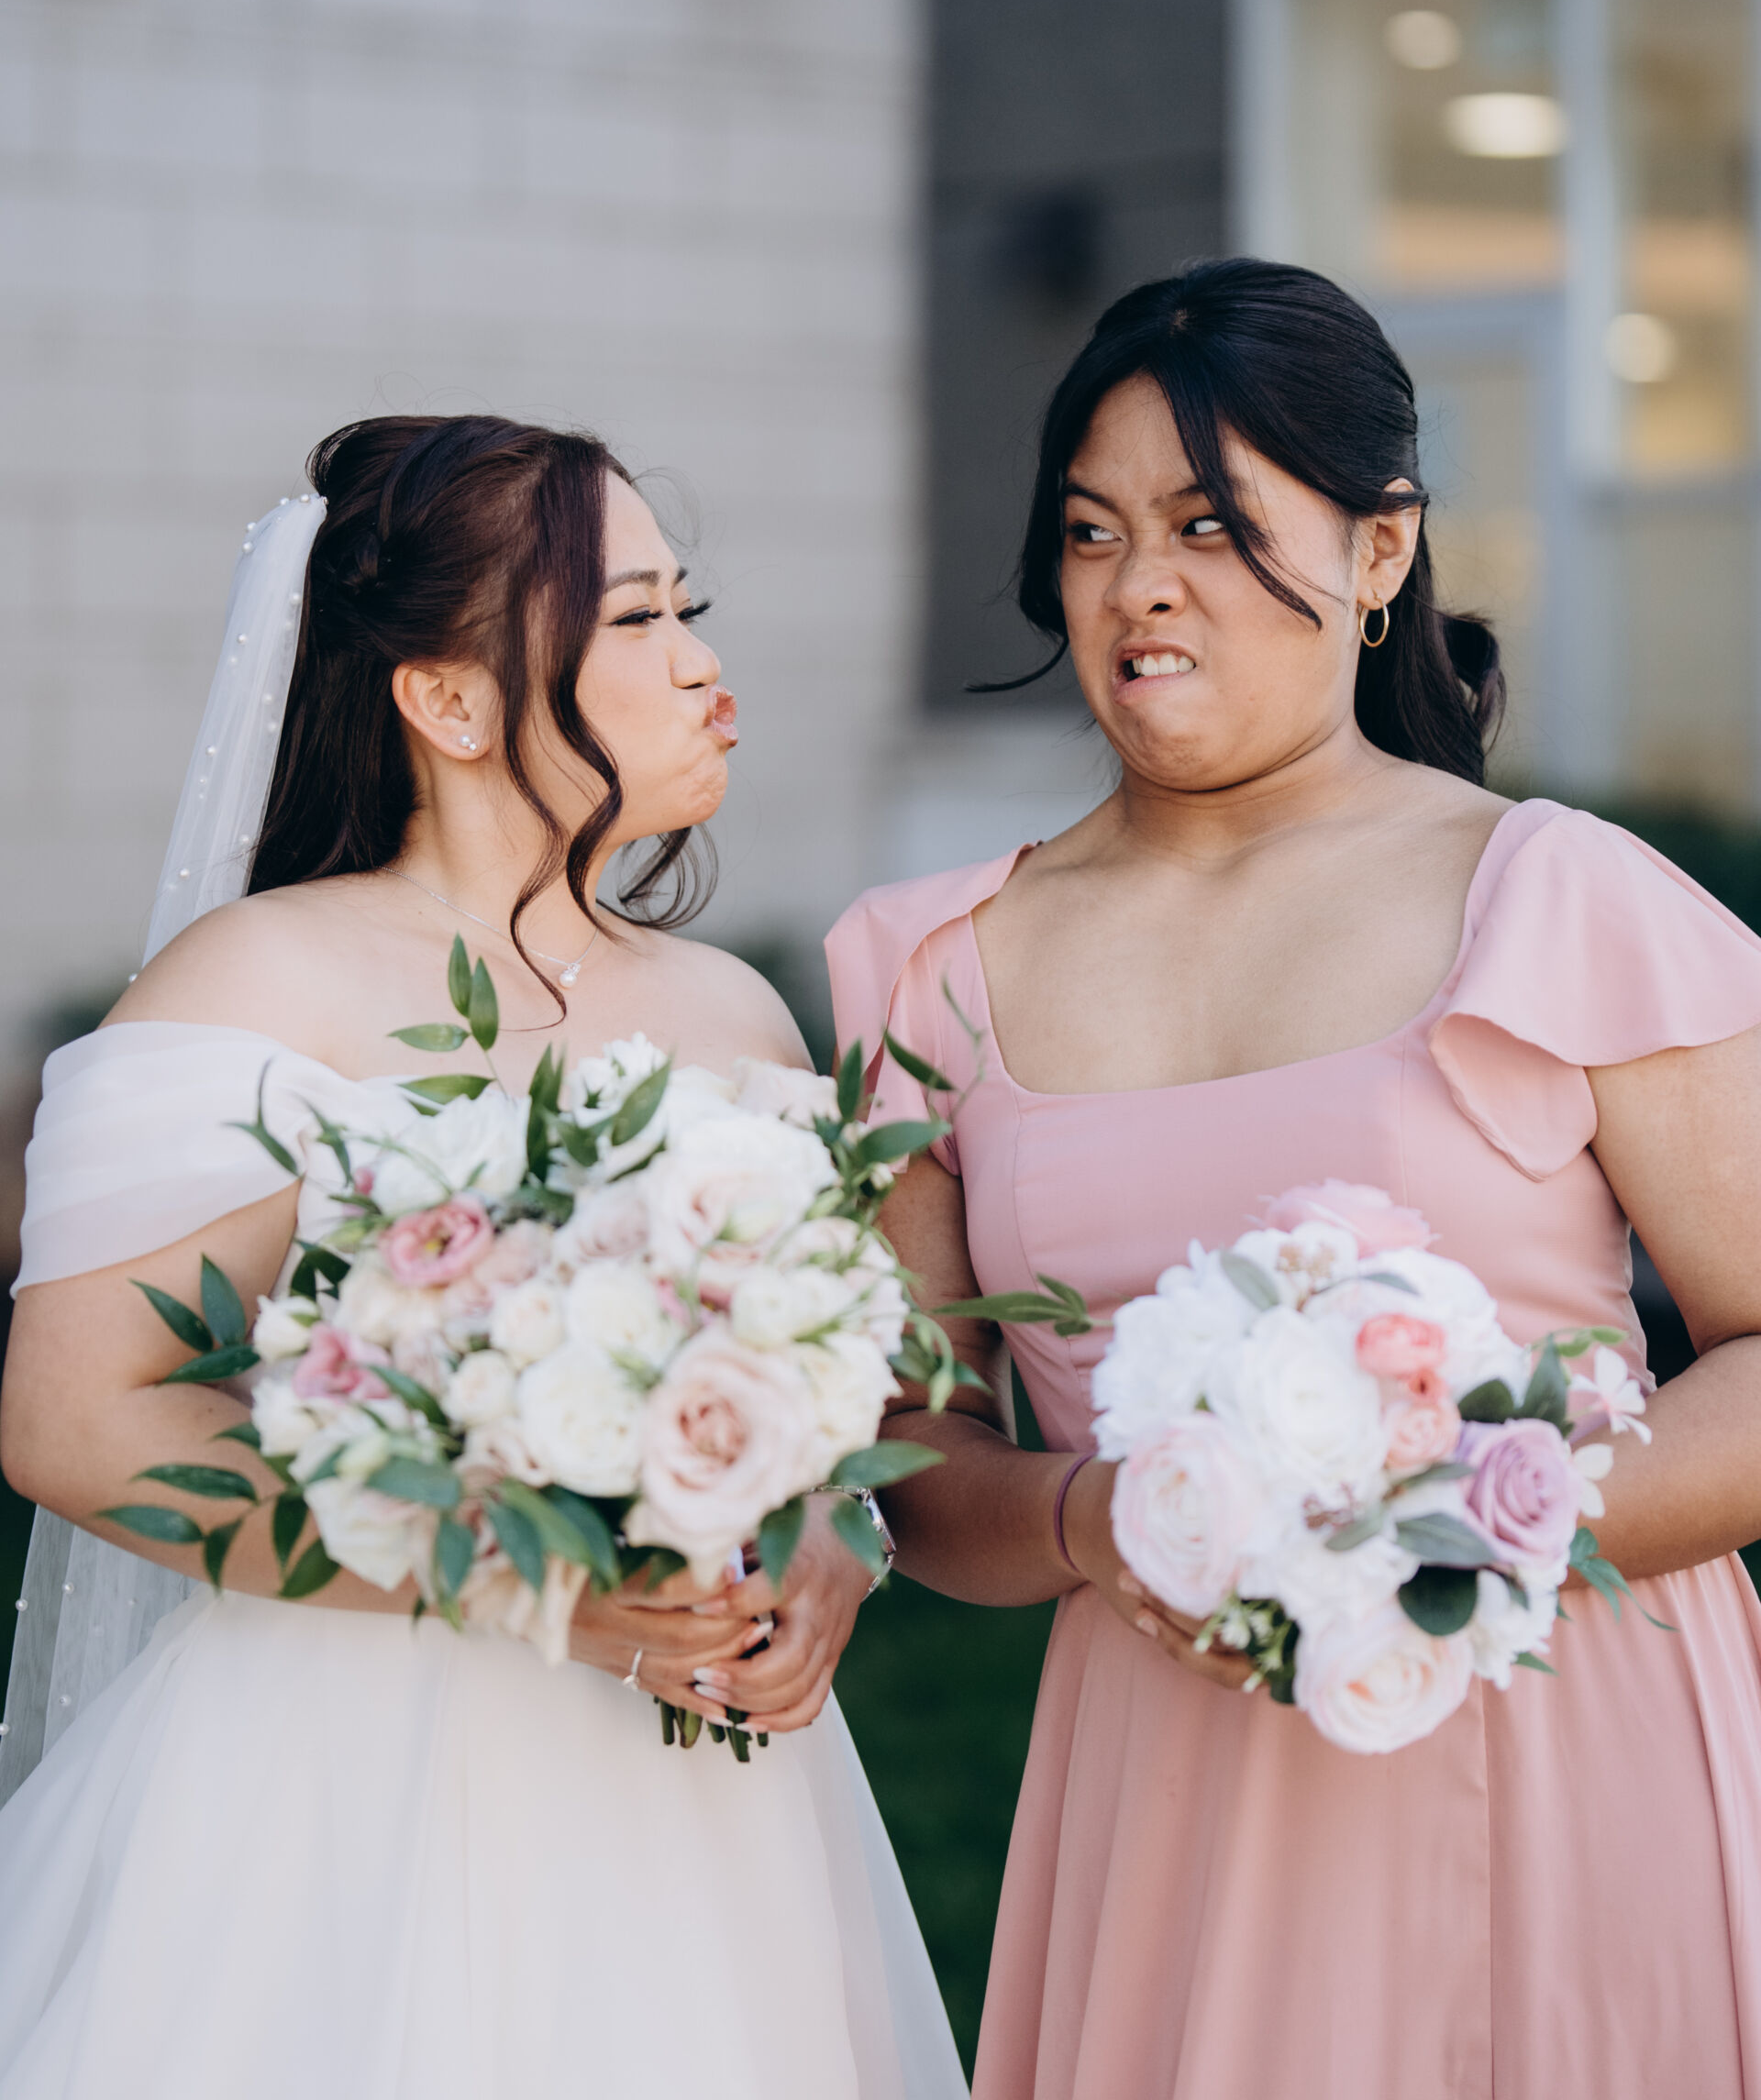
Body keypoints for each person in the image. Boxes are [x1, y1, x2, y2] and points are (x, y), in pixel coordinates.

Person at [827, 260, 1761, 2100]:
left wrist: (1448, 1535)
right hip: (1181, 1777)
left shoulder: (1560, 897)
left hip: (1567, 1743)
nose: (1140, 586)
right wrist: (1098, 1520)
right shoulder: (928, 969)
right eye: (1092, 533)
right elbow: (912, 1458)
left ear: (1380, 548)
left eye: (1209, 525)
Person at [0, 414, 965, 2100]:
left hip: (695, 1806)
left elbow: (827, 1400)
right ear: (448, 703)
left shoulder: (735, 1015)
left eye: (689, 608)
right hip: (332, 1782)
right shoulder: (255, 985)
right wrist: (528, 1581)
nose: (703, 663)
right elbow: (77, 1422)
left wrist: (828, 1544)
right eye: (638, 619)